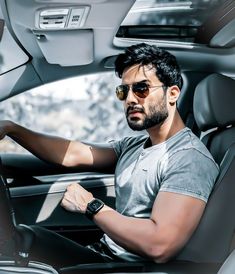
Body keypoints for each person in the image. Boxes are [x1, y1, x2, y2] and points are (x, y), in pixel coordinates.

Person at [0, 43, 219, 269]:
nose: (131, 99)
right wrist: (13, 129)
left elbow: (159, 246)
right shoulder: (135, 145)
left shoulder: (187, 158)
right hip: (105, 252)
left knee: (20, 251)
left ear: (172, 93)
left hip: (129, 267)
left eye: (141, 89)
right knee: (26, 241)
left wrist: (91, 206)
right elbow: (73, 154)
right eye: (124, 91)